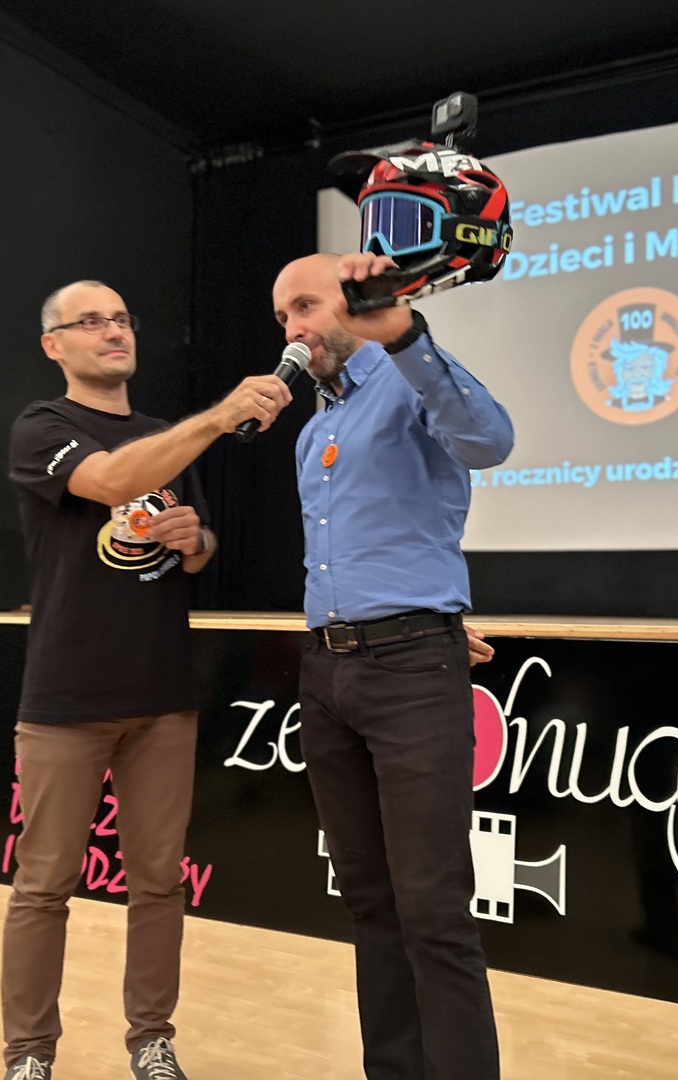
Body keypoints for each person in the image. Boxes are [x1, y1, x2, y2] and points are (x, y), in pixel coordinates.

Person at [1, 279, 292, 1080]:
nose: (113, 331)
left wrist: (195, 538)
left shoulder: (166, 437)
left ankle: (151, 1040)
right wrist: (219, 416)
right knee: (44, 885)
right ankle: (29, 1054)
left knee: (159, 882)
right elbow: (109, 483)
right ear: (54, 345)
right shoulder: (42, 426)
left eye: (122, 319)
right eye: (90, 321)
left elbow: (197, 553)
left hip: (163, 696)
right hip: (67, 699)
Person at [271, 251, 513, 1080]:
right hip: (328, 674)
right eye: (282, 318)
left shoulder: (411, 382)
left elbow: (489, 440)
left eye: (306, 306)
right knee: (369, 904)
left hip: (411, 673)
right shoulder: (314, 431)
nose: (293, 328)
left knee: (434, 912)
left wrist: (406, 335)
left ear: (353, 303)